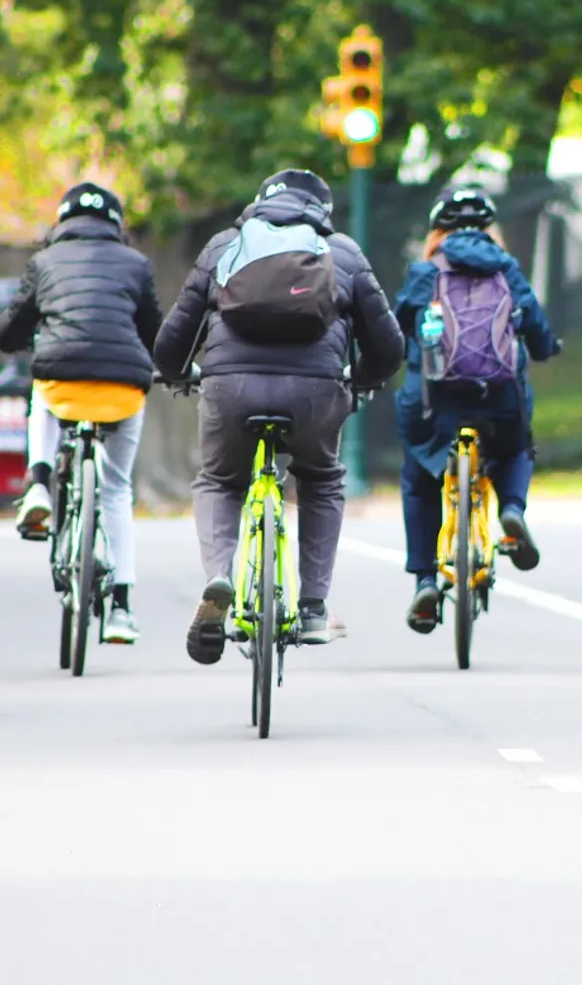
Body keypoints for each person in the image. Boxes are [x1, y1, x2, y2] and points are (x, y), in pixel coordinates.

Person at [154, 168, 404, 663]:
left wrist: (181, 373)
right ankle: (312, 607)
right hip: (314, 393)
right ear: (321, 213)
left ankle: (219, 577)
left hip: (231, 388)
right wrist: (361, 379)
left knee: (220, 480)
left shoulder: (224, 246)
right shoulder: (345, 253)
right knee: (322, 480)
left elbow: (171, 342)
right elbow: (389, 346)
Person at [0, 182, 162, 644]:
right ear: (115, 225)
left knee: (43, 392)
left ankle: (37, 485)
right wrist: (177, 367)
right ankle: (122, 609)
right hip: (123, 390)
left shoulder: (43, 263)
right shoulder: (137, 264)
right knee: (116, 490)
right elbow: (155, 333)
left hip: (62, 382)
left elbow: (11, 332)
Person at [394, 187, 558, 633]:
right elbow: (536, 328)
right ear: (492, 230)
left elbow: (396, 326)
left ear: (436, 230)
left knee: (418, 474)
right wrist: (545, 348)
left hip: (435, 400)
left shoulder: (426, 271)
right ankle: (513, 511)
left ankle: (426, 579)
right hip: (497, 396)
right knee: (516, 445)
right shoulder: (507, 269)